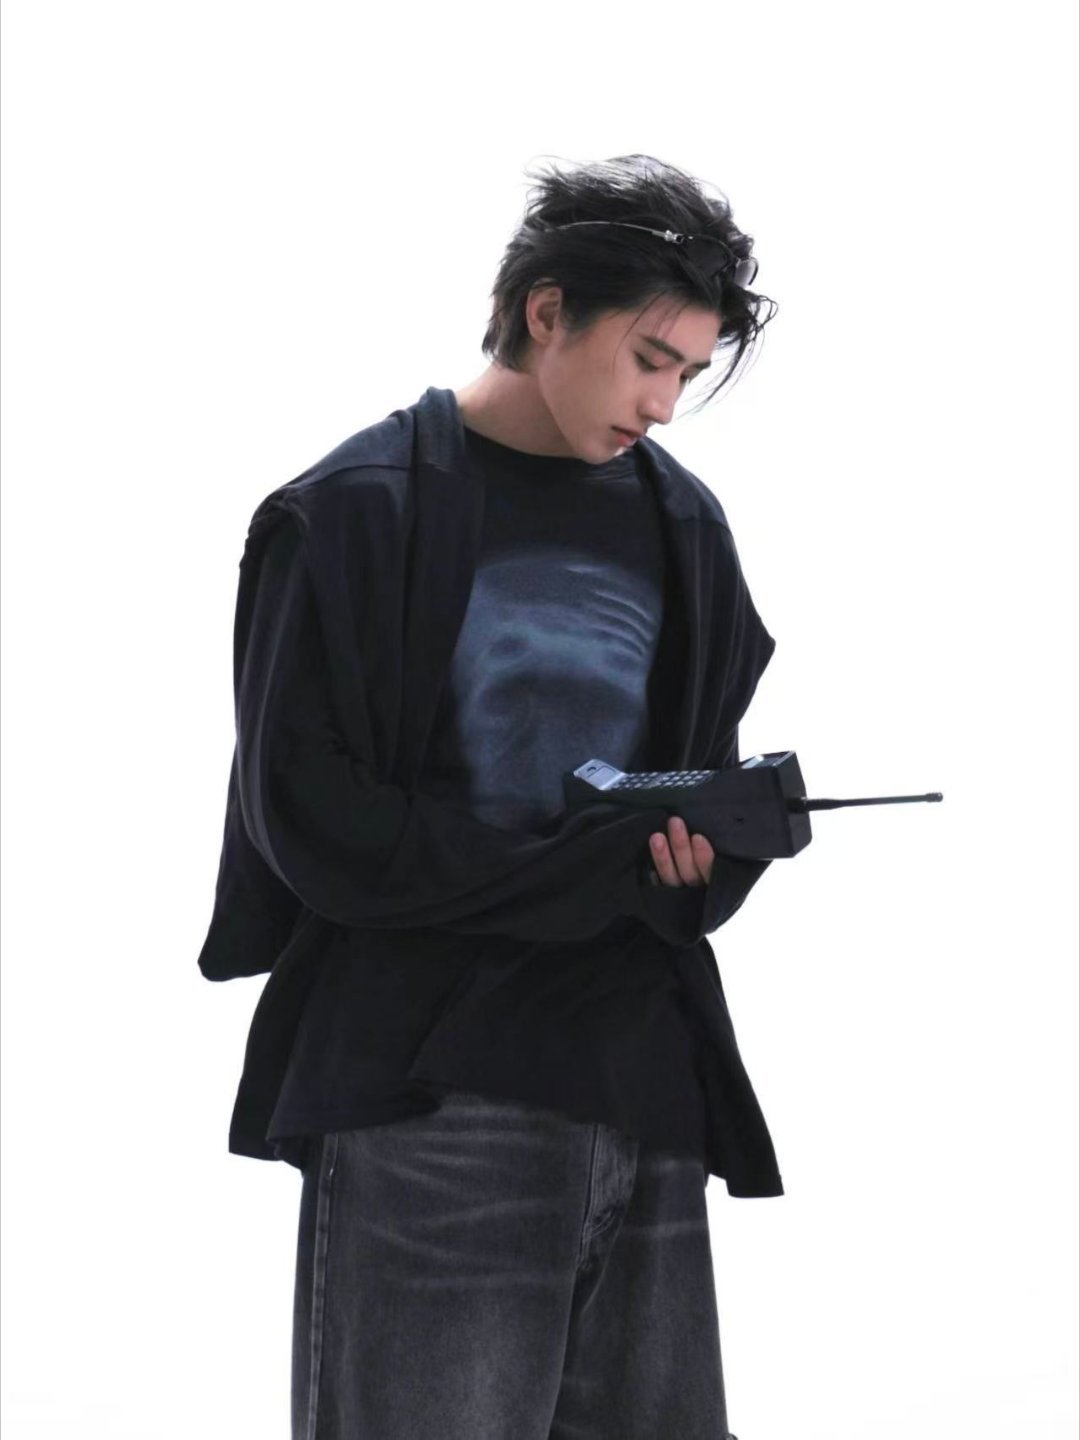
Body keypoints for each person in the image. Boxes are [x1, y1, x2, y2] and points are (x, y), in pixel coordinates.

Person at [199, 152, 781, 1439]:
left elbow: (693, 793)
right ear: (547, 310)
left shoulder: (687, 528)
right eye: (650, 359)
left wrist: (704, 857)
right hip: (429, 1090)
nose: (666, 403)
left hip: (641, 1084)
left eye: (689, 373)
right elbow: (310, 820)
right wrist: (578, 870)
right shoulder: (353, 513)